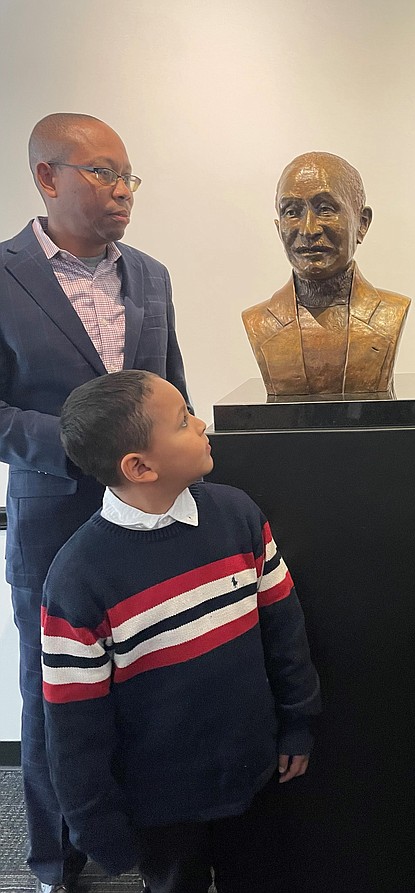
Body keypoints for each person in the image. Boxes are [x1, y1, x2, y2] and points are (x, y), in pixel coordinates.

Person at [0, 113, 189, 893]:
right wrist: (82, 445)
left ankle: (151, 846)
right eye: (103, 174)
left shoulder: (149, 274)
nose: (123, 192)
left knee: (150, 680)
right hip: (51, 525)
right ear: (48, 178)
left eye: (129, 177)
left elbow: (172, 388)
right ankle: (53, 860)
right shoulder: (5, 275)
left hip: (146, 520)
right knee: (53, 701)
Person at [42, 370, 321, 893]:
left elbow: (285, 630)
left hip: (252, 772)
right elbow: (74, 725)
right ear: (140, 466)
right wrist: (96, 824)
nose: (199, 424)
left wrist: (297, 722)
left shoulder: (238, 515)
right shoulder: (78, 579)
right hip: (160, 806)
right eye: (182, 420)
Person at [242, 151, 410, 395]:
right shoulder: (260, 322)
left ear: (362, 223)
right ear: (278, 227)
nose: (308, 229)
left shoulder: (390, 313)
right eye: (291, 212)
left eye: (325, 208)